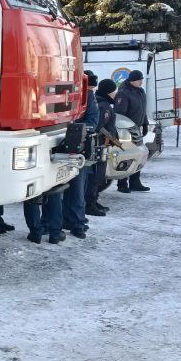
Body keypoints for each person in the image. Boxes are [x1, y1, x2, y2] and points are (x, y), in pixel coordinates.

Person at [62, 70, 101, 237]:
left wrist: (75, 130)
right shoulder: (64, 90)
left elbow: (92, 121)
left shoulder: (88, 95)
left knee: (77, 189)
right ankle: (65, 219)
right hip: (60, 145)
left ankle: (77, 223)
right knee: (60, 188)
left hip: (79, 147)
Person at [113, 70, 151, 192]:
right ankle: (122, 183)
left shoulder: (140, 91)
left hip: (137, 128)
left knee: (138, 155)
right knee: (126, 155)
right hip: (127, 130)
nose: (141, 82)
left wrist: (145, 123)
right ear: (133, 80)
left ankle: (135, 181)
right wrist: (123, 130)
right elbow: (120, 113)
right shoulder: (124, 92)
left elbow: (143, 109)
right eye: (139, 79)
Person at [87, 78, 120, 212]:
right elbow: (98, 127)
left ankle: (93, 201)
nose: (115, 94)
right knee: (96, 176)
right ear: (108, 92)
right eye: (113, 91)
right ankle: (89, 204)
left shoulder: (103, 103)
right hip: (100, 146)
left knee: (99, 176)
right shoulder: (103, 106)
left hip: (102, 146)